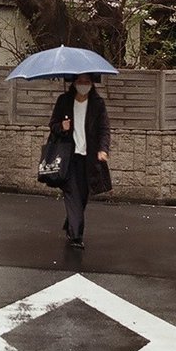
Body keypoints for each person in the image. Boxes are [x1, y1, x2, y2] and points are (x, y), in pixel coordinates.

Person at [49, 73, 111, 249]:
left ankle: (71, 224)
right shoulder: (64, 101)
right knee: (72, 193)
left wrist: (103, 149)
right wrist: (62, 127)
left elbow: (104, 129)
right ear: (74, 83)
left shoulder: (98, 104)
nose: (83, 85)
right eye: (80, 81)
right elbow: (52, 125)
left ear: (92, 84)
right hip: (68, 157)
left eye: (87, 82)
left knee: (82, 196)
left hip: (89, 157)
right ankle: (76, 236)